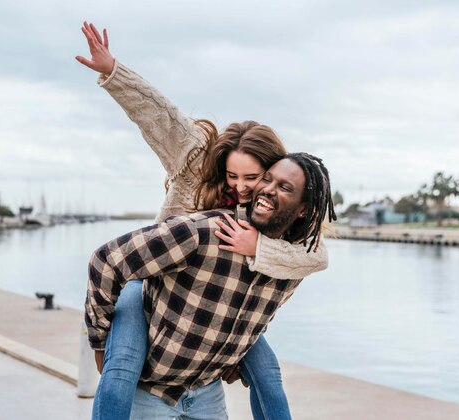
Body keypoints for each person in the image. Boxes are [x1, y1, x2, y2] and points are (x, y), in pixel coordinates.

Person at [76, 22, 329, 419]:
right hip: (155, 279)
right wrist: (113, 72)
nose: (243, 188)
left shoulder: (270, 218)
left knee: (267, 372)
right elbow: (159, 115)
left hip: (214, 307)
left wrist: (257, 248)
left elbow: (311, 258)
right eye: (233, 176)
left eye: (254, 178)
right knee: (121, 364)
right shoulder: (195, 161)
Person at [86, 153, 336, 418]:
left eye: (284, 187)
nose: (268, 190)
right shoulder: (205, 232)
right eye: (267, 179)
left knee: (268, 373)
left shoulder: (293, 263)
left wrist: (234, 354)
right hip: (150, 393)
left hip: (206, 394)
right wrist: (101, 341)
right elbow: (106, 260)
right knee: (120, 367)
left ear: (304, 209)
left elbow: (259, 316)